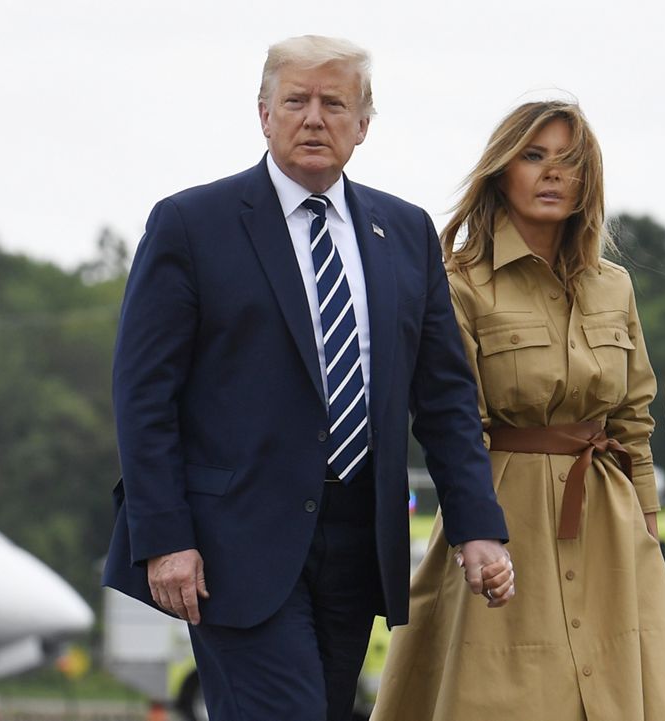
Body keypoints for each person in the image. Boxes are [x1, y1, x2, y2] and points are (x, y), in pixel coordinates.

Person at [101, 35, 515, 721]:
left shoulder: (406, 232)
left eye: (334, 103)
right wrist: (164, 536)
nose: (314, 118)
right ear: (264, 114)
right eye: (295, 101)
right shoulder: (191, 225)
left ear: (363, 124)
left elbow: (444, 398)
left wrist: (478, 525)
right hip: (233, 543)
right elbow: (143, 396)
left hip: (359, 540)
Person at [370, 101, 665, 721]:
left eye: (568, 161)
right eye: (533, 156)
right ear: (502, 171)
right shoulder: (459, 282)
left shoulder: (616, 285)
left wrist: (646, 531)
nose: (551, 173)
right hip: (503, 514)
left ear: (587, 180)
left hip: (609, 523)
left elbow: (634, 420)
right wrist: (480, 528)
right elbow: (452, 418)